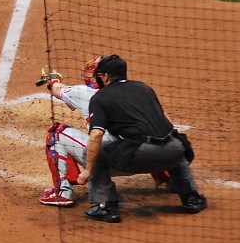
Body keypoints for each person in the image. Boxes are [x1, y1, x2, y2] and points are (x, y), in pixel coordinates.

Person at [77, 54, 207, 223]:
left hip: (142, 153)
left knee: (94, 152)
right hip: (174, 149)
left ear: (105, 77)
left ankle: (106, 207)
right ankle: (192, 198)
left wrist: (88, 170)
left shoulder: (100, 97)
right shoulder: (144, 88)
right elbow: (165, 120)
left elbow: (96, 134)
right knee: (173, 146)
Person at [39, 57, 169, 207]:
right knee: (150, 130)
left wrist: (54, 80)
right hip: (145, 158)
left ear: (103, 76)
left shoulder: (84, 93)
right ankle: (168, 177)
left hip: (108, 162)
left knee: (56, 134)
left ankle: (62, 193)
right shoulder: (136, 91)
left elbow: (57, 90)